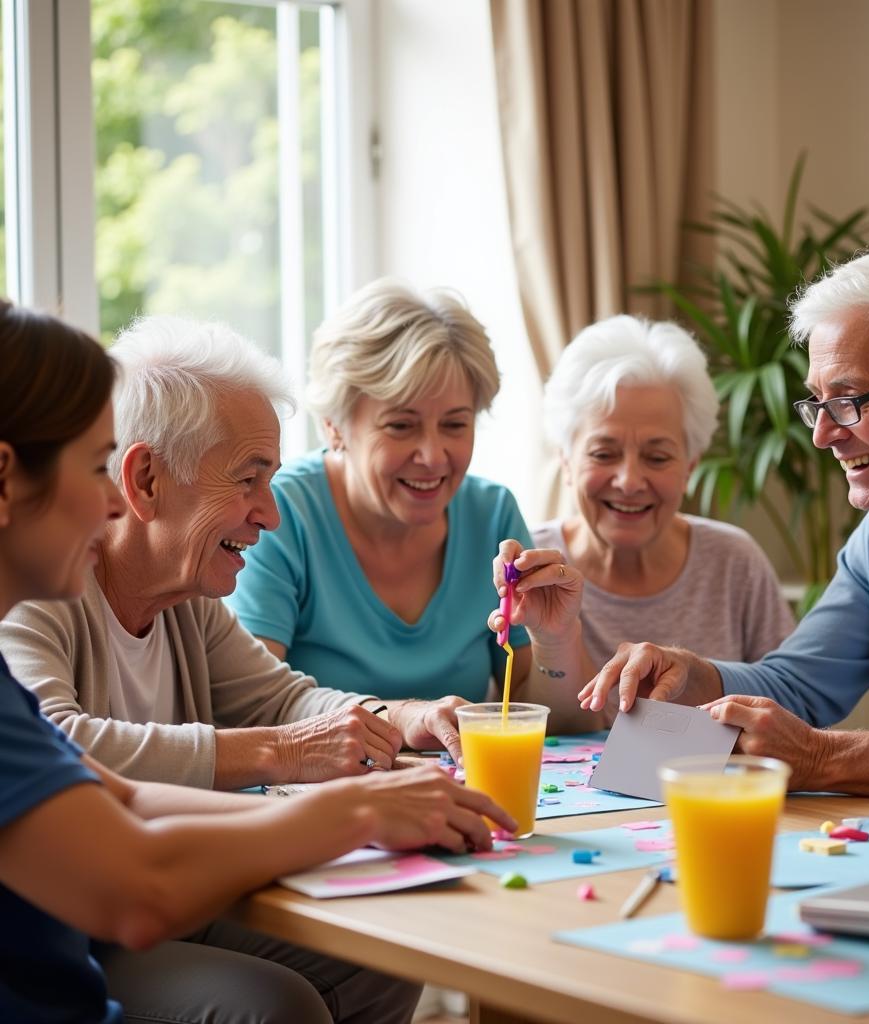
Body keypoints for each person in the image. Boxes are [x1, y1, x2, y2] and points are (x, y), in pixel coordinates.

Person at [0, 300, 516, 1024]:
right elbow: (112, 828)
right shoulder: (38, 599)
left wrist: (393, 728)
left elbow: (120, 788)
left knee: (382, 954)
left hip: (103, 921)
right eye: (95, 467)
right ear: (145, 480)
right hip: (79, 941)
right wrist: (329, 792)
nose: (106, 501)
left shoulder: (184, 596)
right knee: (278, 1004)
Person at [578, 242, 869, 799]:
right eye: (817, 403)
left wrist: (820, 756)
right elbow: (799, 685)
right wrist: (696, 677)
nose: (823, 434)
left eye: (849, 399)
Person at [0, 314, 478, 785]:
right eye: (247, 480)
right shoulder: (40, 583)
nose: (271, 516)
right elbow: (49, 744)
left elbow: (282, 700)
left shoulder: (186, 600)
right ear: (146, 479)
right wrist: (282, 750)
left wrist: (400, 716)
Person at [226, 279, 533, 709]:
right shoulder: (279, 515)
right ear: (334, 424)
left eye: (455, 424)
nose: (432, 456)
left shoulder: (493, 515)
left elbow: (536, 709)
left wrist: (559, 636)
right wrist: (403, 718)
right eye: (401, 426)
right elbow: (250, 705)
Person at [489, 314, 793, 731]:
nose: (630, 481)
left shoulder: (734, 562)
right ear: (565, 461)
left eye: (657, 457)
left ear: (689, 466)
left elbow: (790, 708)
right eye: (603, 453)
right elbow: (524, 729)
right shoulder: (528, 573)